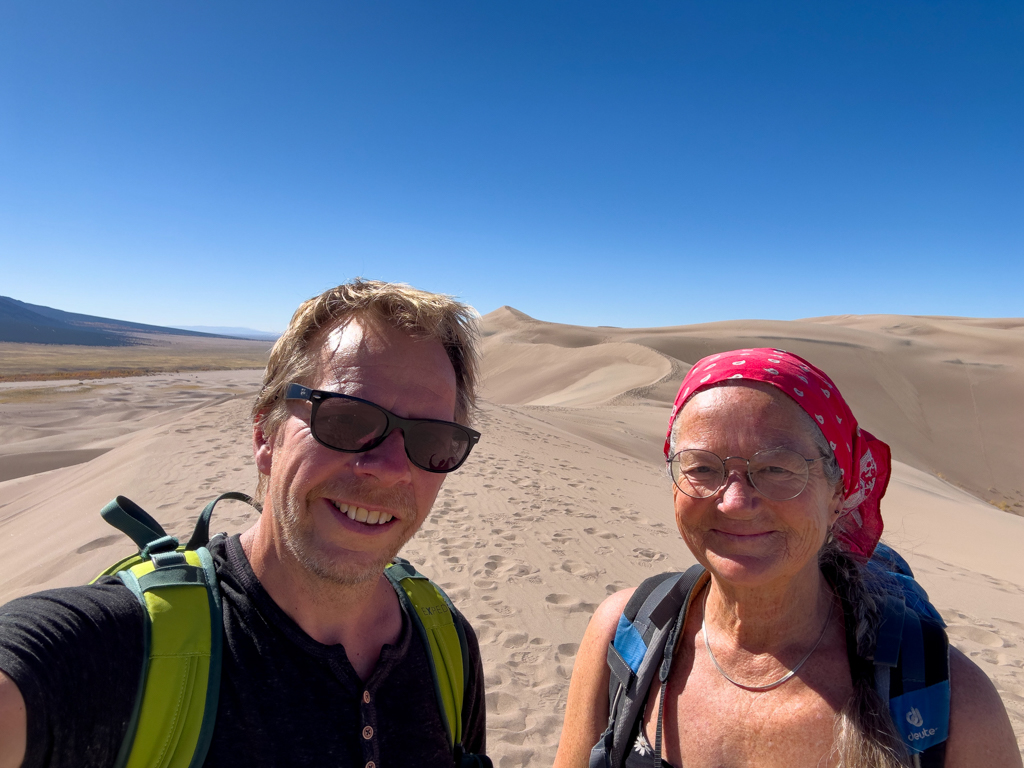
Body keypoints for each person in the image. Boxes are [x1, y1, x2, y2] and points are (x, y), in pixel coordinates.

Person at [0, 279, 488, 768]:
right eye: (346, 419)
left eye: (431, 440)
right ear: (265, 435)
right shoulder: (122, 651)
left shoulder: (446, 642)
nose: (389, 468)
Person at [554, 348, 1021, 768]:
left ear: (840, 490)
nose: (734, 501)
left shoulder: (954, 703)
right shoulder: (624, 635)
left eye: (778, 468)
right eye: (700, 467)